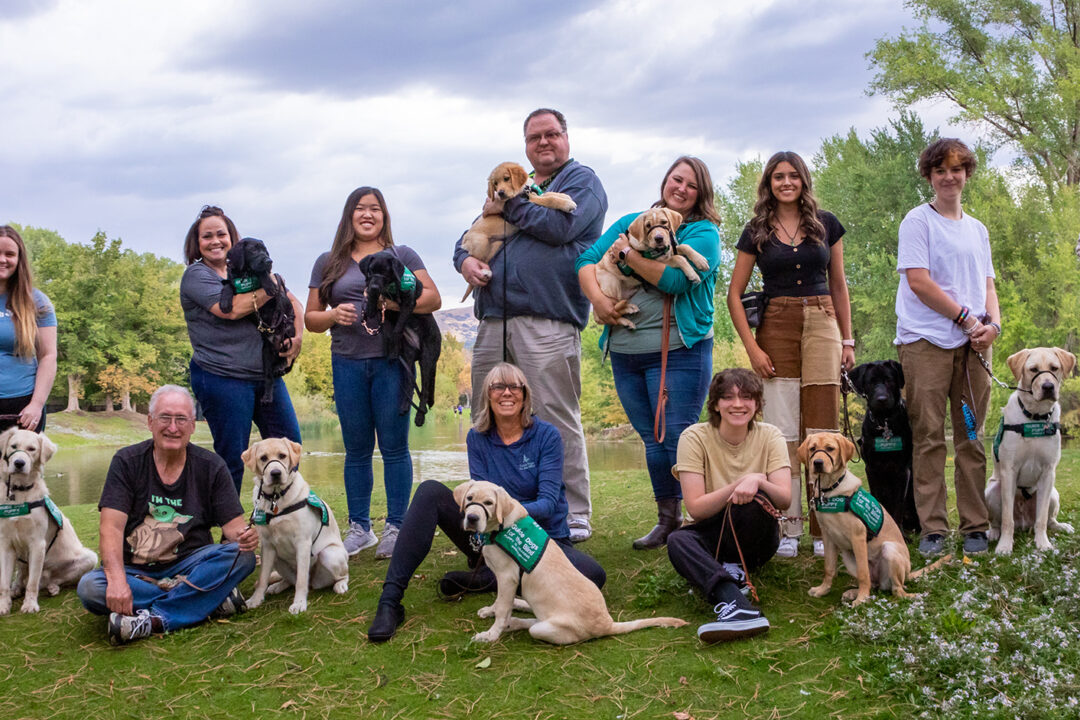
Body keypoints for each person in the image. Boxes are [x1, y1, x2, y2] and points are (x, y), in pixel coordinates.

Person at [453, 108, 608, 542]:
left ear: (566, 138)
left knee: (556, 415)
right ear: (525, 148)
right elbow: (468, 236)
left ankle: (574, 513)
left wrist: (511, 202)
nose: (543, 142)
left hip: (548, 319)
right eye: (534, 137)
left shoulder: (581, 182)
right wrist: (464, 261)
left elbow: (560, 227)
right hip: (493, 320)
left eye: (552, 134)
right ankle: (489, 510)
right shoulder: (513, 185)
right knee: (485, 416)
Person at [366, 363, 606, 643]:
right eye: (497, 387)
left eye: (514, 386)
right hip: (491, 537)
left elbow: (549, 503)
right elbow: (479, 500)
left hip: (540, 540)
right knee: (429, 491)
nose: (507, 393)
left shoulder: (546, 436)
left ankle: (488, 578)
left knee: (593, 575)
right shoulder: (476, 438)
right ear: (487, 395)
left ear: (525, 395)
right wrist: (490, 520)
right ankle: (390, 601)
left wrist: (507, 513)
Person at [576, 157, 721, 550]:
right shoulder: (633, 221)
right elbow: (586, 260)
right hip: (625, 352)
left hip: (678, 350)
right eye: (677, 179)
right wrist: (599, 304)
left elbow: (674, 281)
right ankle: (667, 520)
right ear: (666, 181)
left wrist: (627, 255)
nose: (682, 188)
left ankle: (699, 518)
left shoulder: (703, 233)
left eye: (691, 184)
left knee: (678, 437)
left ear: (701, 192)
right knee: (651, 439)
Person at [727, 151, 855, 558]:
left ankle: (825, 528)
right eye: (778, 176)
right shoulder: (757, 229)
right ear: (769, 183)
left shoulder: (825, 223)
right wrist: (752, 347)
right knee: (782, 431)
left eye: (793, 176)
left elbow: (839, 284)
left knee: (823, 427)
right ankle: (789, 527)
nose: (786, 182)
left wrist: (847, 340)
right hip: (776, 324)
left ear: (803, 180)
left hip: (822, 320)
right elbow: (734, 294)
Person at [306, 187, 442, 560]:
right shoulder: (328, 262)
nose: (368, 214)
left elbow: (433, 298)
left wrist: (390, 302)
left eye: (375, 209)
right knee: (356, 450)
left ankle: (396, 526)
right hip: (347, 361)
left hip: (391, 361)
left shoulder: (402, 255)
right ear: (349, 215)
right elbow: (310, 319)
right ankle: (360, 528)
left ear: (384, 216)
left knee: (395, 447)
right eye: (360, 209)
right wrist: (334, 315)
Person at [76, 385, 257, 645]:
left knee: (242, 556)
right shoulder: (126, 462)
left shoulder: (212, 466)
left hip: (190, 564)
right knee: (91, 588)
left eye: (181, 419)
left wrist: (247, 537)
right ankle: (206, 598)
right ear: (150, 422)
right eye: (165, 418)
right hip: (136, 572)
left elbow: (235, 530)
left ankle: (153, 620)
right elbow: (111, 528)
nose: (173, 427)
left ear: (193, 425)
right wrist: (116, 581)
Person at [894, 138, 1000, 557]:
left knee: (971, 435)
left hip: (974, 346)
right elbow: (918, 281)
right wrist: (965, 318)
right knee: (929, 436)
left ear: (967, 173)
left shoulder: (977, 229)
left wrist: (992, 323)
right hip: (927, 342)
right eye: (940, 170)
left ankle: (976, 525)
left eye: (957, 169)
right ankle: (933, 529)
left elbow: (988, 284)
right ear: (929, 176)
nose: (949, 177)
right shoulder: (917, 222)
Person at [180, 205, 304, 494]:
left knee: (290, 448)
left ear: (232, 238)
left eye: (221, 234)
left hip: (266, 376)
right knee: (233, 459)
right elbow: (232, 310)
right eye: (206, 236)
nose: (215, 241)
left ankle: (280, 520)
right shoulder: (196, 276)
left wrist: (297, 338)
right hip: (222, 377)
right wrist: (274, 285)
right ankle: (231, 532)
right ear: (196, 243)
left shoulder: (247, 272)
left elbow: (295, 303)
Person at [667, 368, 790, 643]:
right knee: (677, 540)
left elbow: (784, 498)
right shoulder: (694, 437)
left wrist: (757, 481)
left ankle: (732, 572)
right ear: (715, 404)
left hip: (756, 534)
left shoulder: (770, 435)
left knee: (753, 502)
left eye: (747, 397)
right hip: (712, 531)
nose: (737, 404)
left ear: (757, 403)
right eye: (728, 398)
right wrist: (738, 484)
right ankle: (736, 604)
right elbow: (696, 509)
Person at [0, 226, 57, 432]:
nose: (3, 259)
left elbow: (48, 356)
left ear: (19, 259)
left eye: (10, 254)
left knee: (22, 466)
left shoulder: (37, 302)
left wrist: (36, 405)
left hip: (22, 409)